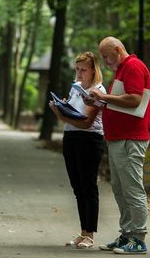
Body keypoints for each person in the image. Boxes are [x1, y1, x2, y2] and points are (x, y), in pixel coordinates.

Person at [90, 36, 150, 255]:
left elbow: (135, 99)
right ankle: (127, 234)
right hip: (118, 137)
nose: (105, 61)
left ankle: (138, 237)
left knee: (132, 188)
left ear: (118, 49)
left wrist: (105, 96)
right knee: (119, 188)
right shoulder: (122, 69)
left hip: (131, 138)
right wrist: (101, 100)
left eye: (106, 56)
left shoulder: (133, 66)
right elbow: (121, 100)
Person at [49, 51, 106, 249]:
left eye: (84, 70)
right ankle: (83, 232)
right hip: (71, 138)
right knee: (77, 187)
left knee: (88, 186)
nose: (80, 73)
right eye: (77, 69)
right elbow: (75, 114)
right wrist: (63, 106)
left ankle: (90, 234)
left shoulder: (98, 90)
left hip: (89, 139)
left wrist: (60, 115)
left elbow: (87, 123)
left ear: (93, 70)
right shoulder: (77, 88)